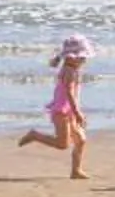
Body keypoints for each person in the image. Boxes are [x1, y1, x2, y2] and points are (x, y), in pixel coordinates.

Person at [16, 34, 92, 179]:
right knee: (63, 144)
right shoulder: (69, 71)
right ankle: (35, 135)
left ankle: (76, 170)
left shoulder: (73, 70)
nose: (84, 59)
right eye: (82, 57)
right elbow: (69, 93)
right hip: (62, 111)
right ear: (71, 57)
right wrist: (77, 112)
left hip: (69, 110)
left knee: (81, 140)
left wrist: (75, 112)